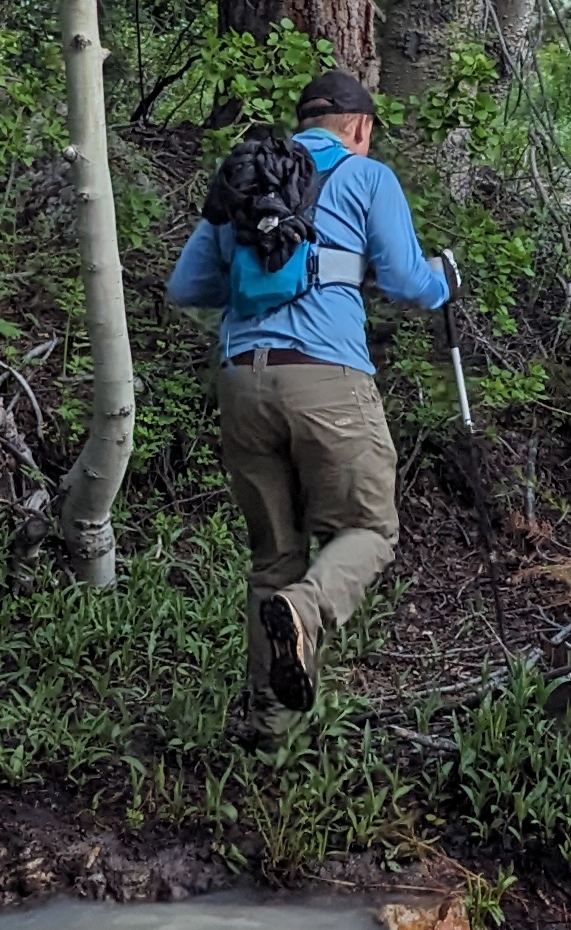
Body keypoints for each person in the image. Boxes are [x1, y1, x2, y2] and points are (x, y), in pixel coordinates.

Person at [163, 66, 454, 727]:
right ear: (360, 128)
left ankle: (270, 728)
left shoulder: (246, 177)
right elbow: (410, 283)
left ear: (302, 123)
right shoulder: (366, 175)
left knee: (274, 557)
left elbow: (186, 287)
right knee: (370, 530)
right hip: (327, 379)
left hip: (241, 381)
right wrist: (443, 281)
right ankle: (307, 609)